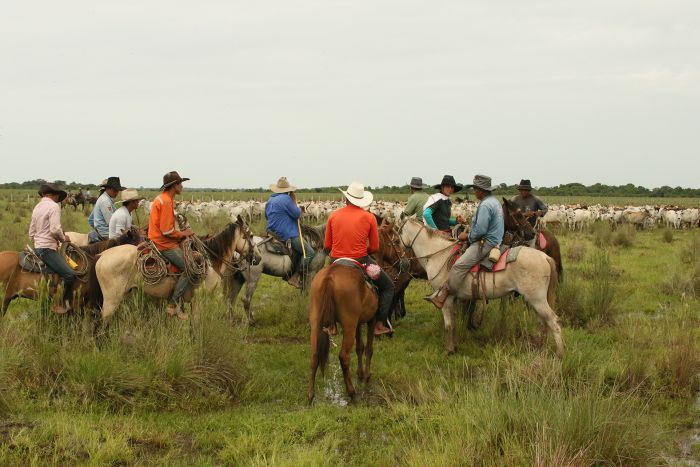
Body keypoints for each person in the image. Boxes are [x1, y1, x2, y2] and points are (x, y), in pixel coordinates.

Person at [324, 182, 395, 336]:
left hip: (335, 259)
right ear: (361, 200)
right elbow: (375, 247)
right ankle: (379, 324)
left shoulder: (333, 216)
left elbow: (327, 244)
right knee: (388, 287)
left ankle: (330, 323)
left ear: (346, 199)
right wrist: (363, 250)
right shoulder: (369, 217)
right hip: (361, 259)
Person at [426, 175, 504, 309]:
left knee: (458, 266)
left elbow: (480, 230)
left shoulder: (485, 205)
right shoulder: (494, 202)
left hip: (485, 243)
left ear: (481, 190)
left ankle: (445, 294)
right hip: (496, 240)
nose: (474, 191)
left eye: (475, 189)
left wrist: (467, 237)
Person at [148, 171, 194, 320]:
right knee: (190, 267)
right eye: (180, 183)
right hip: (164, 243)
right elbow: (167, 231)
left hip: (157, 239)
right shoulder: (166, 201)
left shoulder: (161, 199)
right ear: (174, 185)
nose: (182, 186)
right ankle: (173, 304)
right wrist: (184, 234)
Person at [28, 183, 76, 314]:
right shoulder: (54, 206)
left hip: (38, 247)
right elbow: (55, 229)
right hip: (47, 249)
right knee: (69, 275)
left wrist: (37, 242)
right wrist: (63, 238)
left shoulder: (37, 207)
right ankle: (58, 303)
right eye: (58, 197)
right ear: (55, 195)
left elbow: (31, 232)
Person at [265, 177, 315, 288]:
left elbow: (266, 216)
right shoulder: (287, 199)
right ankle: (295, 276)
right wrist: (293, 200)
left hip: (271, 232)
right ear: (288, 190)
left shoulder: (270, 200)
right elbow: (296, 214)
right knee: (309, 253)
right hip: (286, 234)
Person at [88, 177, 125, 243]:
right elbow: (111, 222)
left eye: (117, 191)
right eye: (115, 191)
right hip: (105, 232)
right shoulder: (105, 201)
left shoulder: (107, 199)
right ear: (108, 188)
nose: (116, 193)